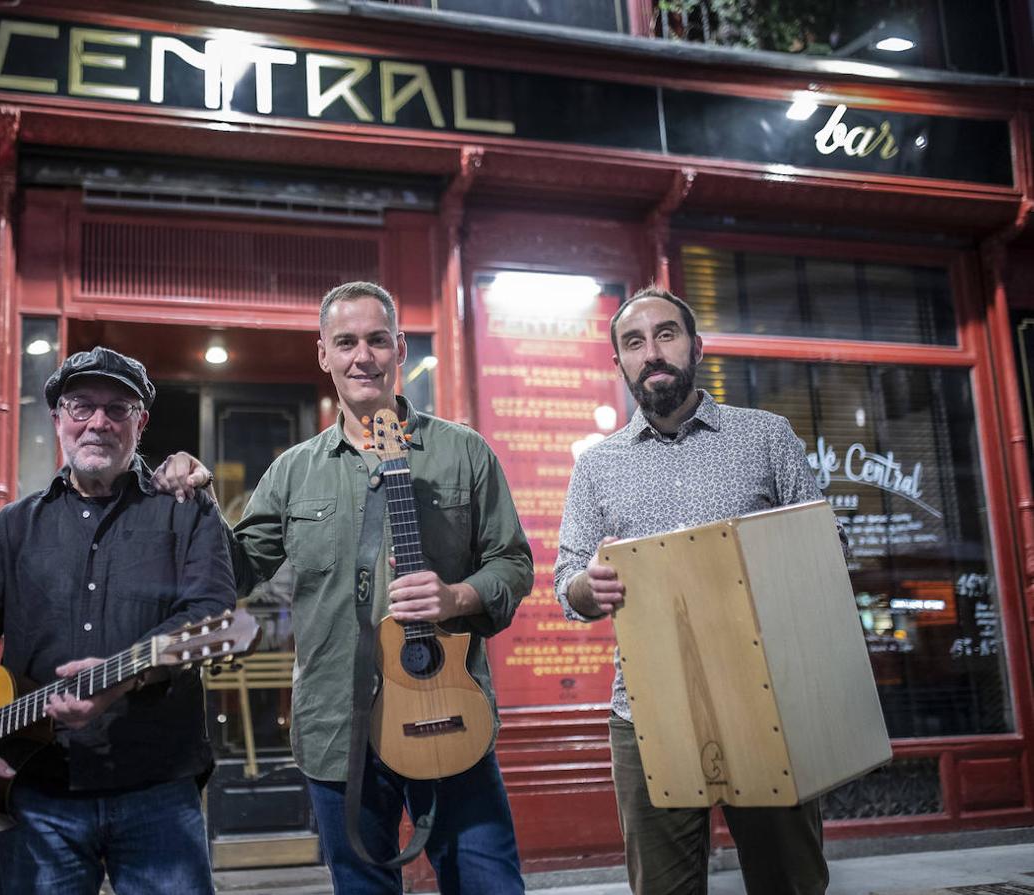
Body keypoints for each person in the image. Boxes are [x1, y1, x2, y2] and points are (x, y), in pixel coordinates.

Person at [155, 281, 533, 895]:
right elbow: (239, 571)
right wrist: (199, 503)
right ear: (323, 355)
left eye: (377, 340)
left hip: (449, 709)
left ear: (400, 348)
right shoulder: (292, 471)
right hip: (337, 726)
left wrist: (458, 597)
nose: (364, 356)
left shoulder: (464, 454)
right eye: (346, 342)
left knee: (489, 884)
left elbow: (513, 564)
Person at [0, 346, 236, 895]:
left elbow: (213, 615)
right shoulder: (12, 527)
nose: (98, 423)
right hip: (36, 793)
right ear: (58, 418)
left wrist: (124, 676)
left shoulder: (187, 509)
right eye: (81, 406)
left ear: (141, 422)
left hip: (158, 786)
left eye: (118, 409)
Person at [552, 286, 835, 895]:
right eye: (634, 343)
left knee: (791, 883)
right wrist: (586, 586)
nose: (652, 352)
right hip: (648, 712)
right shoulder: (596, 466)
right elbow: (565, 583)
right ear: (620, 363)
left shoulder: (766, 436)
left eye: (666, 335)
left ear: (696, 347)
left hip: (767, 701)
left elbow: (825, 551)